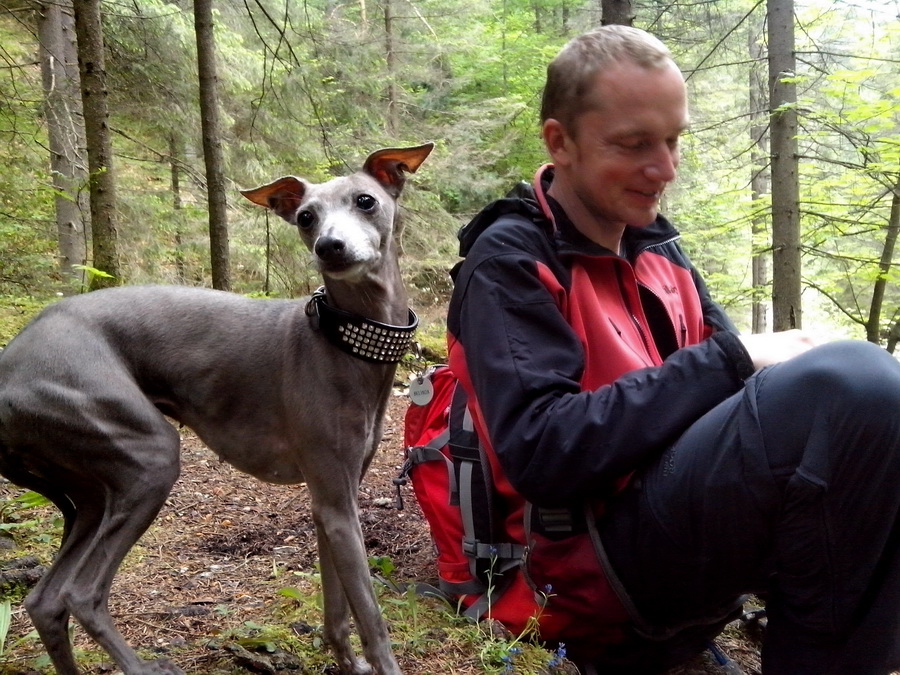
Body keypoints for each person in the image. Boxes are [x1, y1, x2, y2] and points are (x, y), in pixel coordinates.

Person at [446, 24, 900, 675]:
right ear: (560, 141)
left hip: (663, 541)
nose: (665, 169)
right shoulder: (511, 258)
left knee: (873, 408)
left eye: (673, 140)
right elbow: (544, 452)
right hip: (578, 572)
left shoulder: (656, 247)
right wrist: (737, 359)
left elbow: (730, 399)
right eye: (634, 145)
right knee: (856, 386)